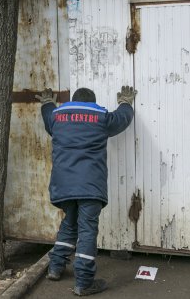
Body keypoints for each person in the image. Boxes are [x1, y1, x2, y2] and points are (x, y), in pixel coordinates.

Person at [36, 85, 136, 296]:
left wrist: (47, 103)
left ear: (73, 100)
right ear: (92, 102)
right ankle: (83, 281)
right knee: (87, 231)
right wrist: (126, 103)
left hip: (63, 184)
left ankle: (55, 268)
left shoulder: (57, 116)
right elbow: (121, 119)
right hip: (90, 184)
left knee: (70, 224)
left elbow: (47, 117)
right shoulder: (100, 116)